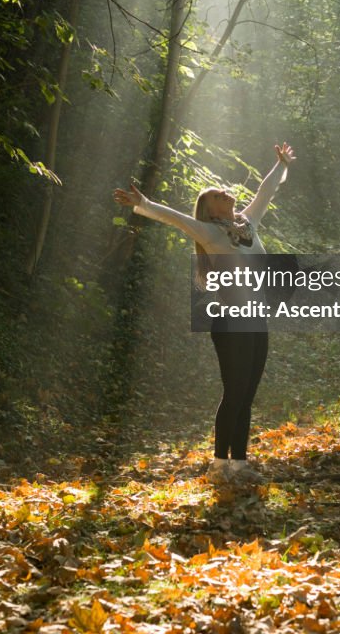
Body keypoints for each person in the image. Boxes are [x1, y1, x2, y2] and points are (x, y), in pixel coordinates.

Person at [113, 142, 295, 486]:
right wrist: (144, 204)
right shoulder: (209, 232)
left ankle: (239, 464)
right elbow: (174, 217)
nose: (224, 192)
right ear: (209, 210)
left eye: (223, 190)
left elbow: (267, 189)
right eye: (216, 194)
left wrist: (281, 164)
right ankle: (218, 464)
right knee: (235, 391)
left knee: (248, 393)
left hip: (257, 321)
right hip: (230, 322)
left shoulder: (248, 224)